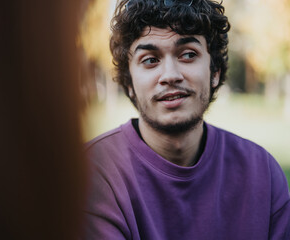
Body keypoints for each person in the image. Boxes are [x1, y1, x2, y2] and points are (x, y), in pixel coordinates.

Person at [83, 0, 290, 239]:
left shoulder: (262, 173)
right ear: (129, 83)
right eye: (150, 60)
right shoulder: (93, 172)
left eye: (188, 54)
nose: (170, 75)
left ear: (214, 72)